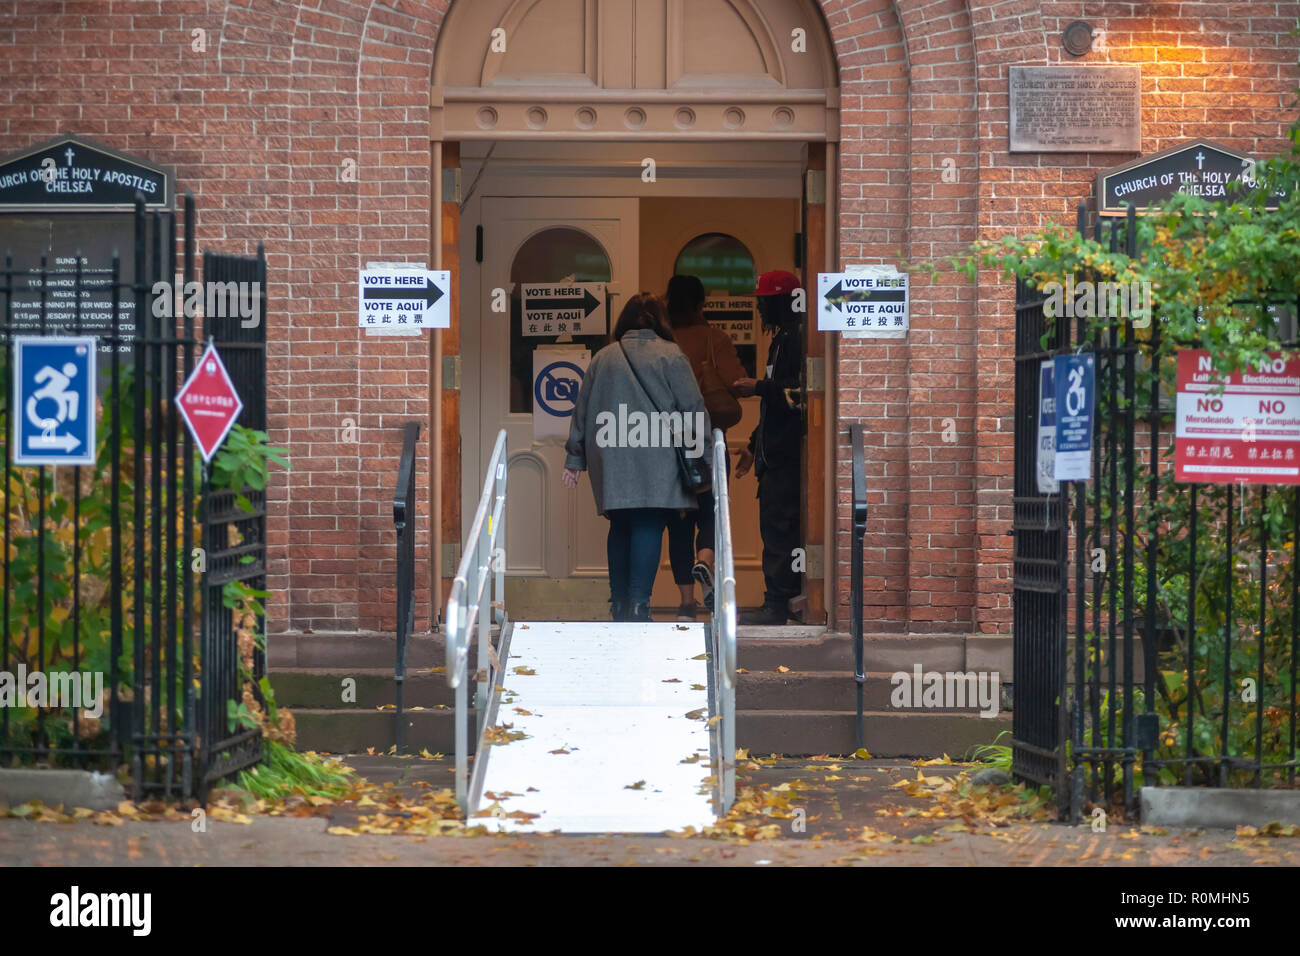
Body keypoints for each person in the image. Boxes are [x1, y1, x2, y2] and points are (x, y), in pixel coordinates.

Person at [563, 293, 710, 623]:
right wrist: (705, 453)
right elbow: (693, 409)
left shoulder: (603, 358)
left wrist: (575, 458)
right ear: (661, 321)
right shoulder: (672, 356)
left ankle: (619, 605)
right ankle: (640, 605)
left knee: (620, 523)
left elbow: (582, 410)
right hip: (657, 455)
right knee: (649, 521)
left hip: (611, 452)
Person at [664, 274, 746, 620]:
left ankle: (686, 602)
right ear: (701, 305)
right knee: (711, 506)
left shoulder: (663, 342)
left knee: (678, 519)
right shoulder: (716, 339)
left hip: (666, 440)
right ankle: (706, 559)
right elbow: (737, 382)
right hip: (708, 436)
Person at [733, 270, 804, 625]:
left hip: (788, 459)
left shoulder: (798, 339)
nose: (760, 309)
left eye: (764, 302)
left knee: (781, 532)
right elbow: (775, 408)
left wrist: (759, 387)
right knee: (776, 532)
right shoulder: (783, 338)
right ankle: (779, 600)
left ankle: (779, 604)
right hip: (775, 456)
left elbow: (801, 397)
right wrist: (752, 444)